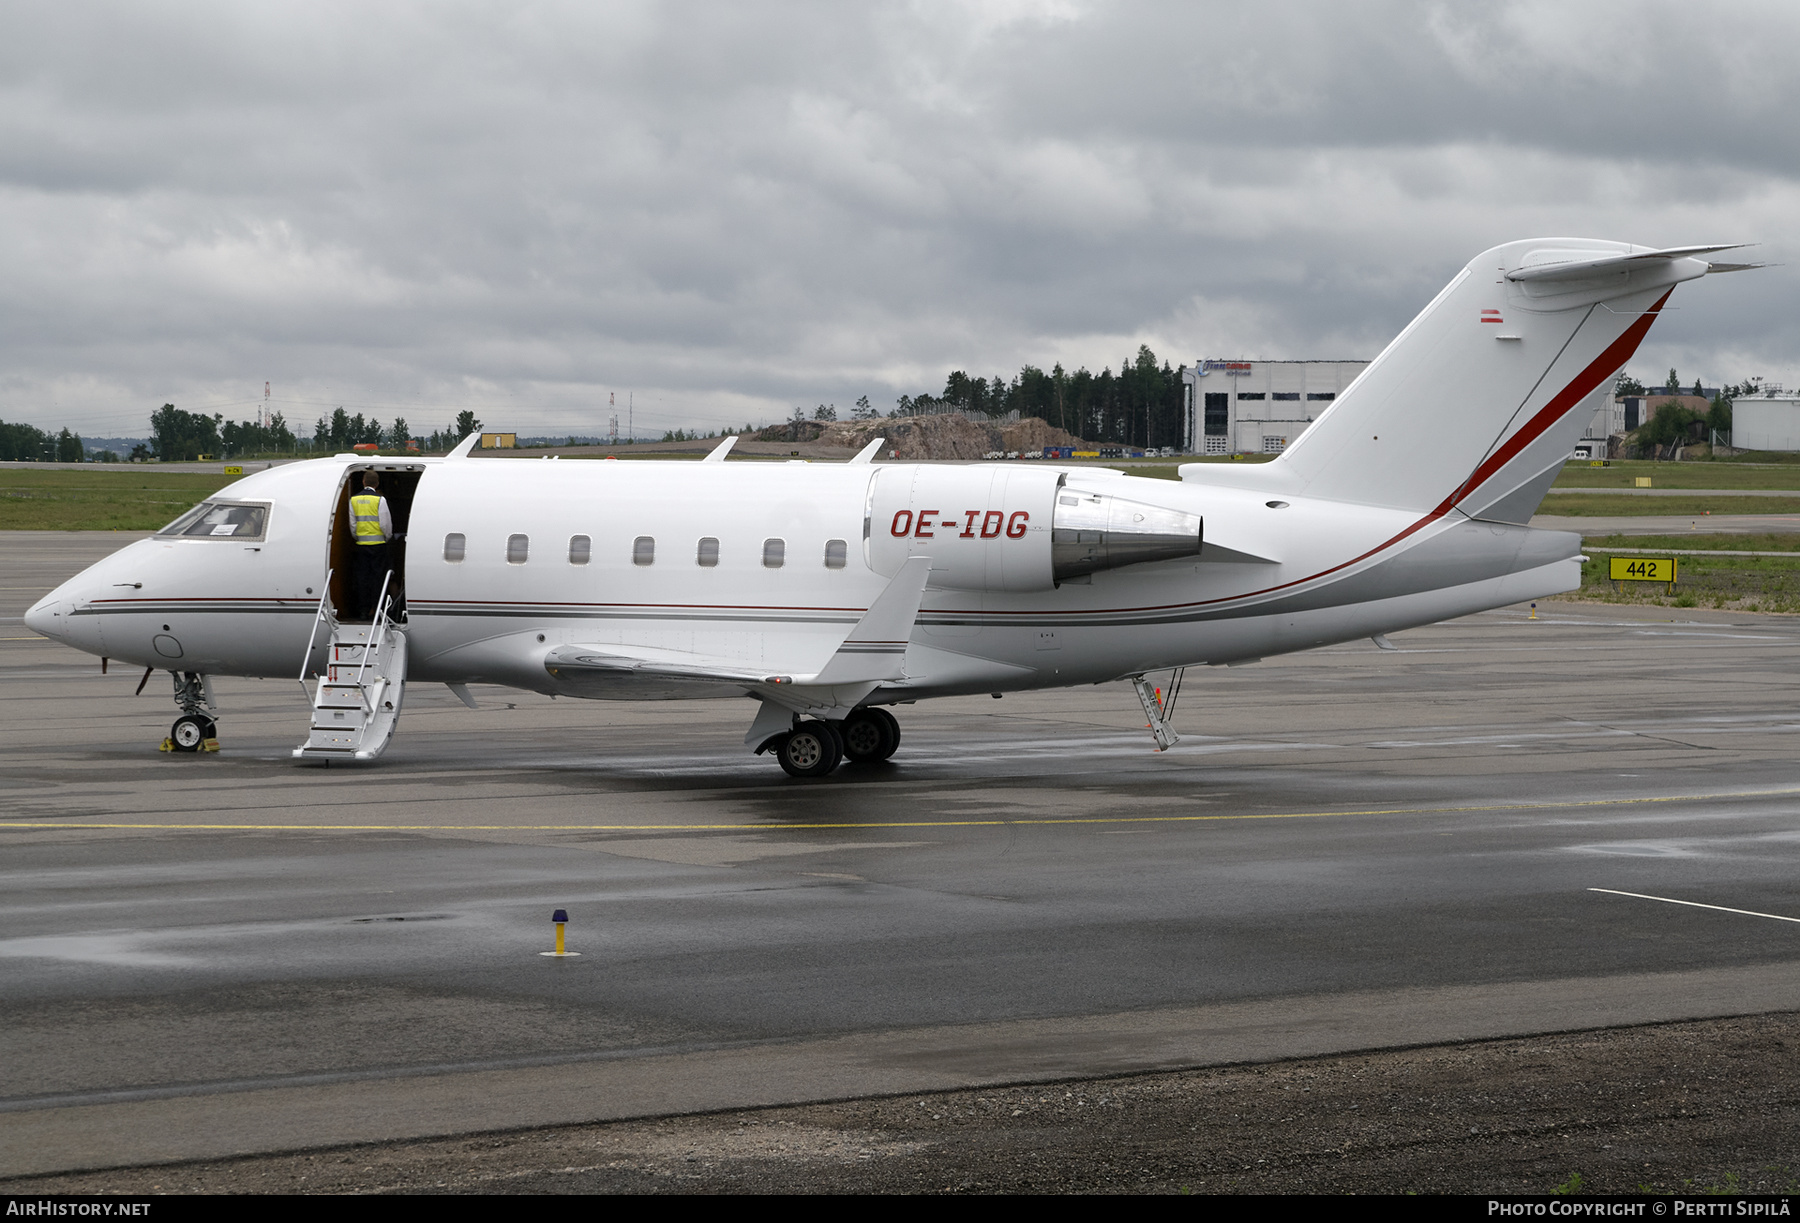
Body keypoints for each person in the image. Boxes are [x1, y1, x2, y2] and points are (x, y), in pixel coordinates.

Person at [348, 472, 394, 620]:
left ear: (363, 482)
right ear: (377, 484)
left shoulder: (353, 500)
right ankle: (377, 609)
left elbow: (353, 525)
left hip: (361, 545)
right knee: (378, 578)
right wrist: (386, 538)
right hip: (378, 545)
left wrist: (359, 537)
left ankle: (363, 610)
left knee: (363, 579)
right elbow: (385, 524)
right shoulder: (380, 500)